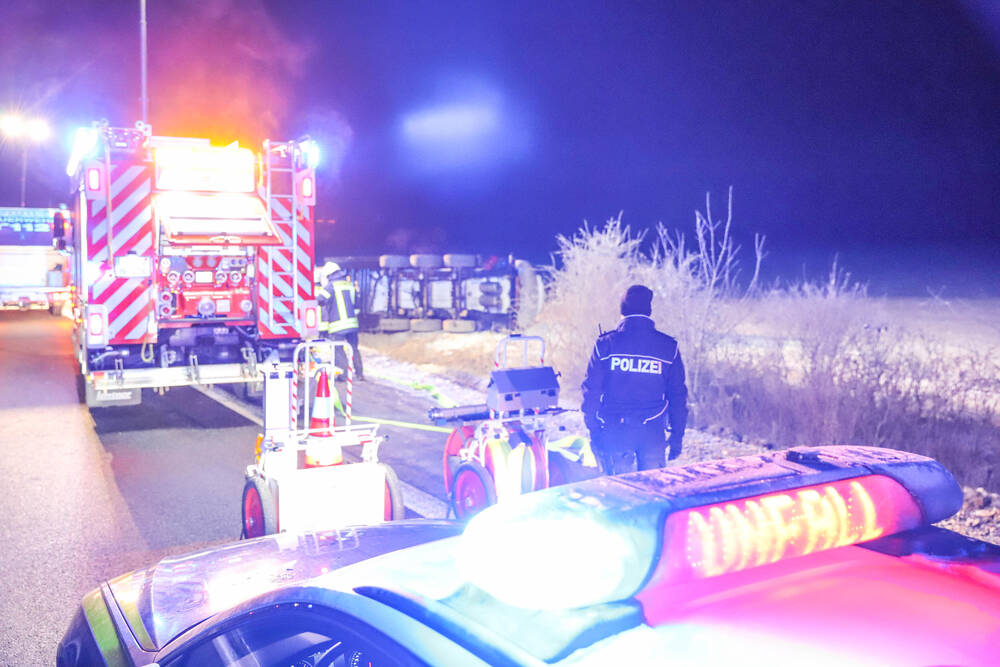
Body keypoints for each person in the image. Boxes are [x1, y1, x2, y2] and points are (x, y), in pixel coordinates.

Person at [580, 284, 688, 475]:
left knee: (620, 496)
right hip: (653, 434)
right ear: (649, 311)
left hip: (615, 433)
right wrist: (677, 434)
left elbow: (592, 390)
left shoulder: (606, 345)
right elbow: (678, 395)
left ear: (622, 311)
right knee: (652, 495)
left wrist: (594, 429)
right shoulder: (668, 347)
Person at [316, 261, 364, 380]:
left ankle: (344, 375)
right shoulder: (349, 285)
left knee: (338, 349)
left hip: (337, 326)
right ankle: (359, 373)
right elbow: (357, 305)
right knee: (354, 348)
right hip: (353, 325)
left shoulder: (330, 287)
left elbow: (320, 299)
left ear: (329, 275)